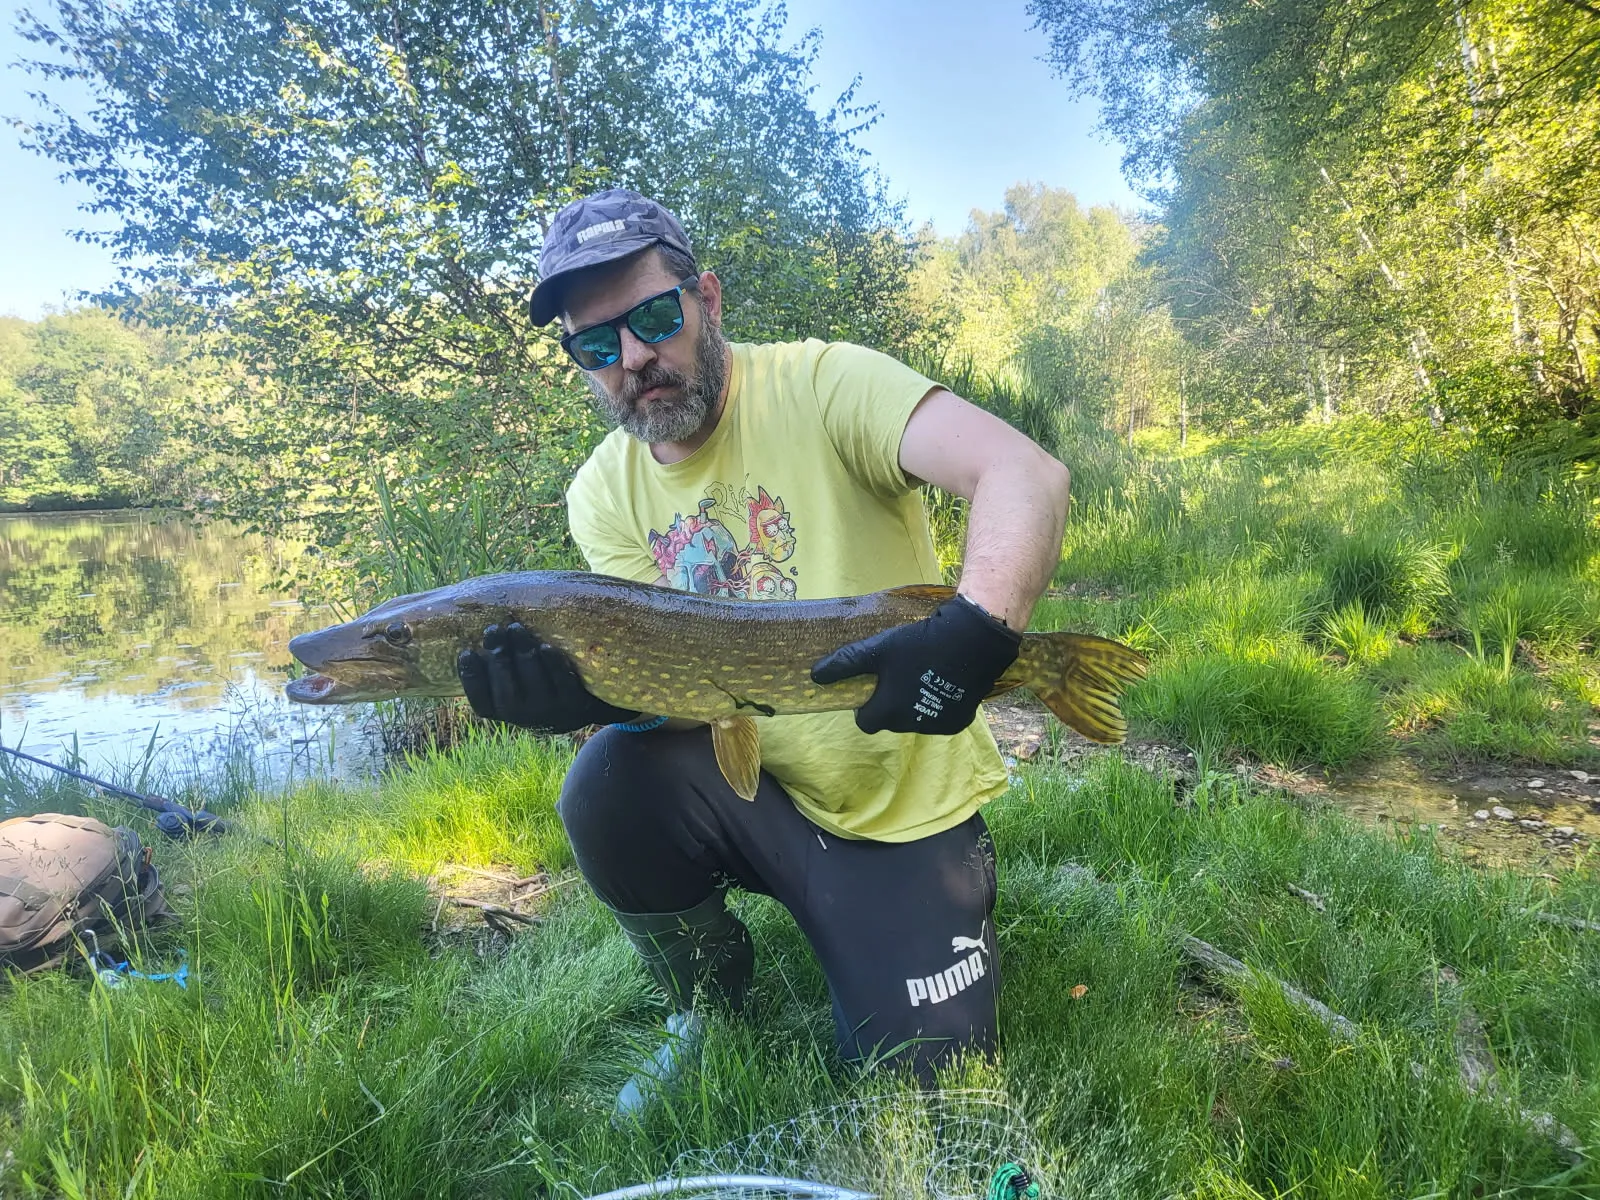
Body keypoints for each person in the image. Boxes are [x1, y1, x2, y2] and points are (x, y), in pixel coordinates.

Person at [457, 189, 1071, 1116]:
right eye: (596, 344)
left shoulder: (826, 384)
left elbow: (1024, 472)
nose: (632, 359)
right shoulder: (602, 492)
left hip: (899, 812)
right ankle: (707, 1001)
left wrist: (978, 633)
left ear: (705, 297)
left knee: (923, 1094)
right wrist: (587, 697)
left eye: (653, 318)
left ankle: (908, 919)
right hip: (752, 796)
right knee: (606, 781)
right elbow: (675, 683)